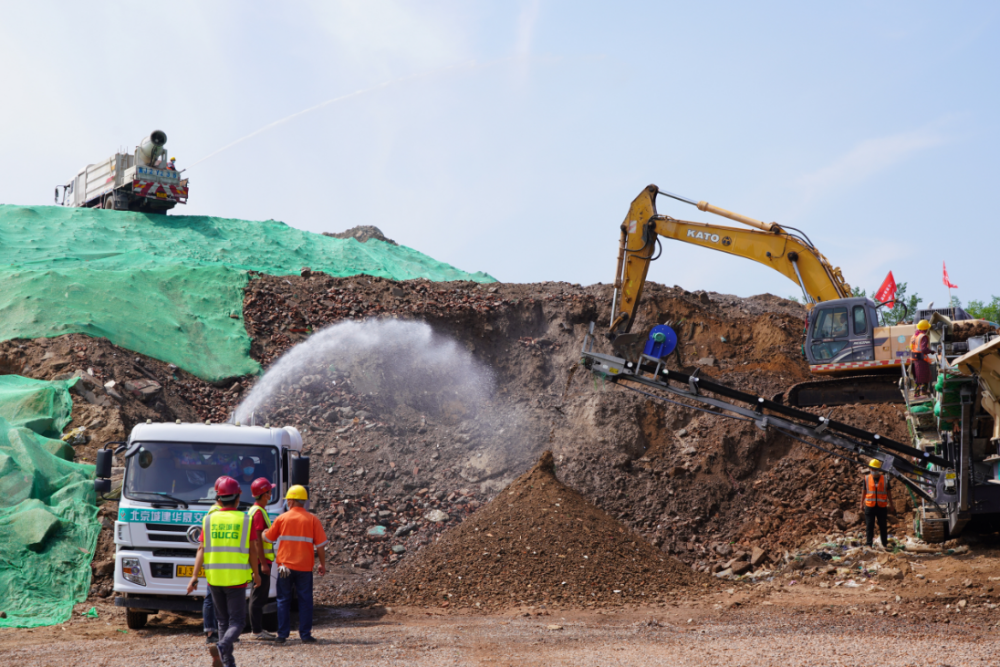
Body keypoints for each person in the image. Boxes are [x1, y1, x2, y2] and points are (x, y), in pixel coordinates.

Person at [187, 476, 261, 667]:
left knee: (222, 621)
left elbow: (201, 549)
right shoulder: (245, 520)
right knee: (237, 622)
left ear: (218, 499)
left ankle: (228, 662)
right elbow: (253, 550)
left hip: (215, 579)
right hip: (235, 579)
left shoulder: (209, 520)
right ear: (238, 498)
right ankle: (221, 647)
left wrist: (194, 576)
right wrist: (256, 573)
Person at [264, 484, 327, 645]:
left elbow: (268, 538)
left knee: (283, 599)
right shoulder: (313, 519)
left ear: (290, 501)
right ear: (304, 502)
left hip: (285, 567)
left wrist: (263, 532)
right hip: (304, 567)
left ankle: (282, 635)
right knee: (305, 600)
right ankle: (305, 635)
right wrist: (322, 564)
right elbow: (320, 546)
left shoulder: (282, 518)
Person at [248, 477, 277, 641]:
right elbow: (257, 539)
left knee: (257, 595)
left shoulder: (255, 510)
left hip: (259, 561)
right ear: (265, 494)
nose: (271, 494)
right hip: (261, 562)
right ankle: (257, 631)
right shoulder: (258, 512)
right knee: (258, 596)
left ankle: (257, 630)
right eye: (269, 491)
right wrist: (264, 564)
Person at [861, 459, 891, 549]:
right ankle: (869, 544)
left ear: (879, 469)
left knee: (883, 526)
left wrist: (892, 504)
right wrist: (861, 503)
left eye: (875, 469)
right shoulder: (866, 478)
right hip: (870, 506)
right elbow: (864, 491)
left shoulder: (885, 479)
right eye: (872, 469)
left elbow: (889, 492)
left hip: (881, 506)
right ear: (870, 468)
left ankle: (884, 544)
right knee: (869, 525)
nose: (874, 471)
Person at [910, 319, 934, 397]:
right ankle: (919, 392)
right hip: (921, 359)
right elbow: (923, 349)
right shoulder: (923, 337)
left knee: (919, 376)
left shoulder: (915, 336)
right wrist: (931, 351)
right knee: (924, 376)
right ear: (925, 328)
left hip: (915, 358)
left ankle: (920, 391)